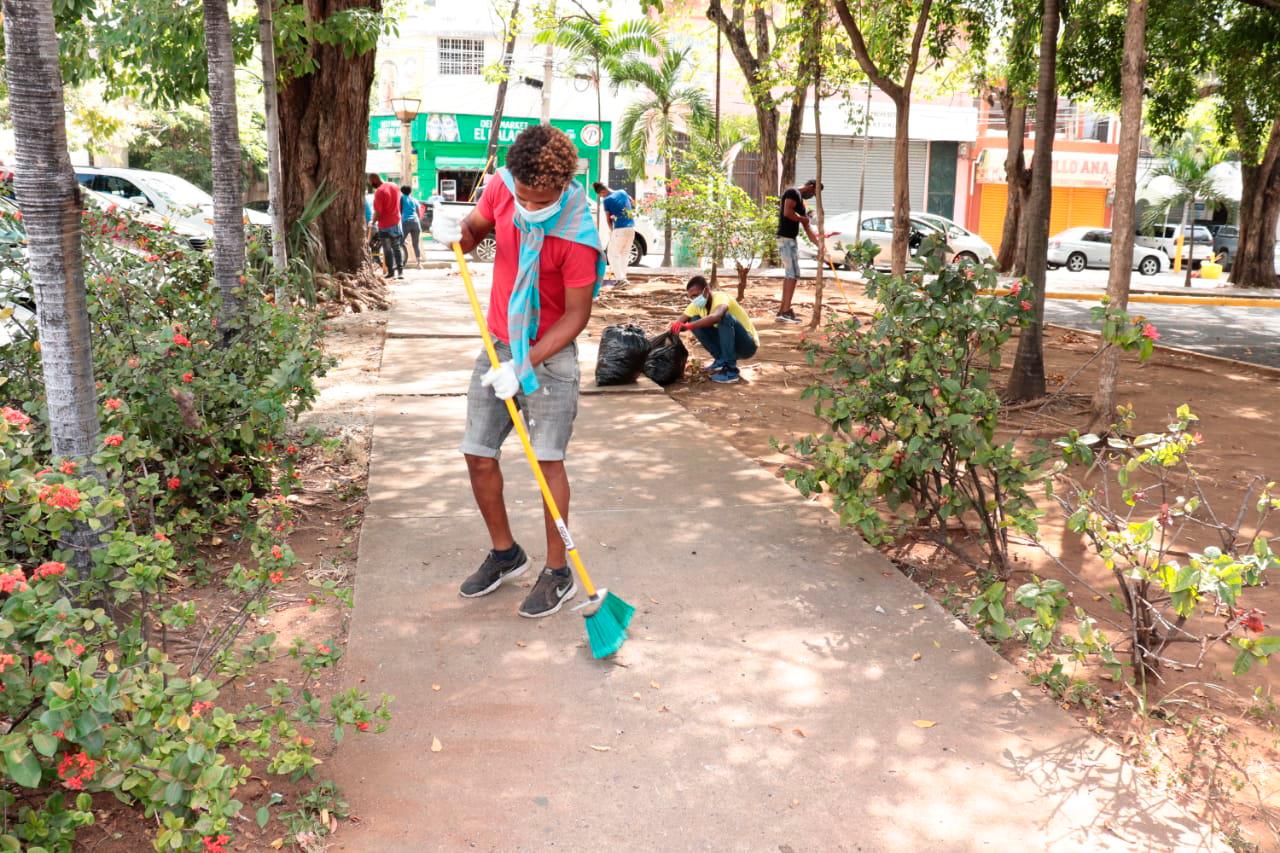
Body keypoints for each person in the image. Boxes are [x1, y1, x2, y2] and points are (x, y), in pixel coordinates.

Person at [430, 125, 604, 619]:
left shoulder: (577, 236)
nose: (527, 206)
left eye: (538, 200)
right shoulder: (503, 186)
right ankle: (506, 554)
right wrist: (454, 234)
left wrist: (524, 364)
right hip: (497, 341)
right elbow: (474, 233)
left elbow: (576, 317)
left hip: (550, 352)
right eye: (521, 196)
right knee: (477, 452)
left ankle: (557, 571)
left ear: (562, 187)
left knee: (547, 462)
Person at [671, 274, 759, 384]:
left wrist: (689, 326)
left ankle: (731, 370)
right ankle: (721, 360)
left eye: (696, 295)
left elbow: (716, 316)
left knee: (724, 317)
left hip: (746, 345)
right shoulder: (695, 306)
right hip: (728, 345)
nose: (694, 299)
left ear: (706, 290)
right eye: (691, 297)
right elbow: (679, 322)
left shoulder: (721, 297)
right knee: (693, 319)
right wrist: (674, 328)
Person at [775, 178, 821, 324]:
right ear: (811, 186)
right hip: (785, 239)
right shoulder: (792, 192)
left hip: (790, 240)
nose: (813, 196)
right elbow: (787, 213)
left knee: (792, 274)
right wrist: (802, 219)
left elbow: (807, 227)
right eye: (814, 192)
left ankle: (783, 310)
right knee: (792, 274)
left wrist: (820, 245)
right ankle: (785, 312)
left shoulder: (801, 202)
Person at [592, 181, 636, 286]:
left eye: (600, 195)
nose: (601, 197)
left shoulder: (607, 200)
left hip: (619, 229)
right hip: (631, 228)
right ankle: (623, 278)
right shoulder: (622, 192)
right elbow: (632, 202)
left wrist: (612, 231)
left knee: (612, 254)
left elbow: (608, 219)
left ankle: (620, 280)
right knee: (624, 253)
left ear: (602, 191)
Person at [367, 172, 404, 279]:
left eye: (370, 182)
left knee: (387, 249)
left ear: (374, 180)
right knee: (396, 247)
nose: (370, 184)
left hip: (384, 225)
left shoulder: (379, 192)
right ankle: (400, 272)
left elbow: (378, 212)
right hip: (396, 222)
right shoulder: (395, 186)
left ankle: (391, 272)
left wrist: (372, 222)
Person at [399, 184, 422, 268]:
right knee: (415, 244)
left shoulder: (401, 198)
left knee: (399, 242)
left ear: (401, 191)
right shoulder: (414, 199)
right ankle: (419, 263)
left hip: (406, 221)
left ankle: (399, 262)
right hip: (416, 222)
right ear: (410, 191)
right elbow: (418, 213)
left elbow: (400, 210)